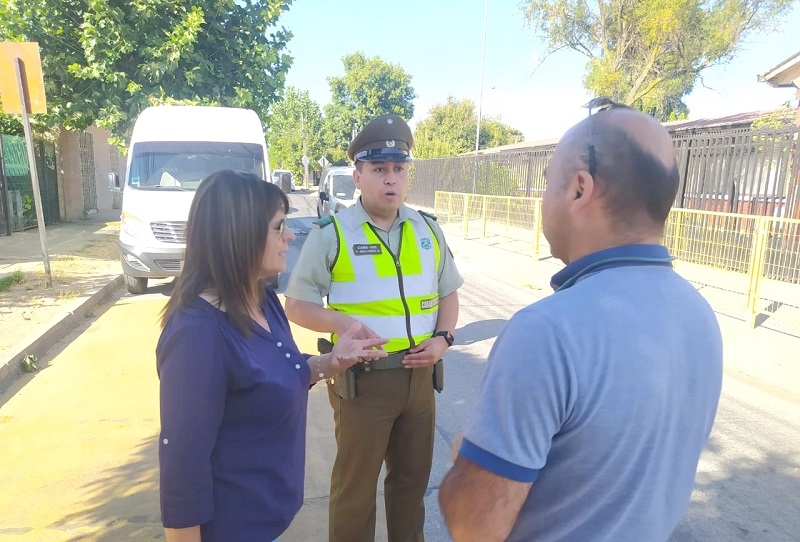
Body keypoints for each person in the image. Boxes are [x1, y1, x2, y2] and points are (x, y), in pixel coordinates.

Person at [438, 100, 723, 541]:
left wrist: (465, 456)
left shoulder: (547, 331)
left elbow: (472, 526)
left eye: (548, 181)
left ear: (579, 189)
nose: (542, 197)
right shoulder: (699, 315)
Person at [156, 170, 388, 542]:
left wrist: (331, 362)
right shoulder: (197, 336)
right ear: (239, 236)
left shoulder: (261, 299)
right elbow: (183, 468)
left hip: (268, 522)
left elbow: (281, 373)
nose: (290, 236)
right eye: (279, 227)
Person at [284, 114, 464, 541]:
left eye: (399, 169)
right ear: (358, 175)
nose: (391, 179)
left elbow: (448, 294)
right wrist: (342, 323)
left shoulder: (428, 230)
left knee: (410, 489)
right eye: (379, 169)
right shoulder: (332, 234)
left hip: (419, 378)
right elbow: (296, 303)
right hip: (363, 381)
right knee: (355, 493)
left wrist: (443, 340)